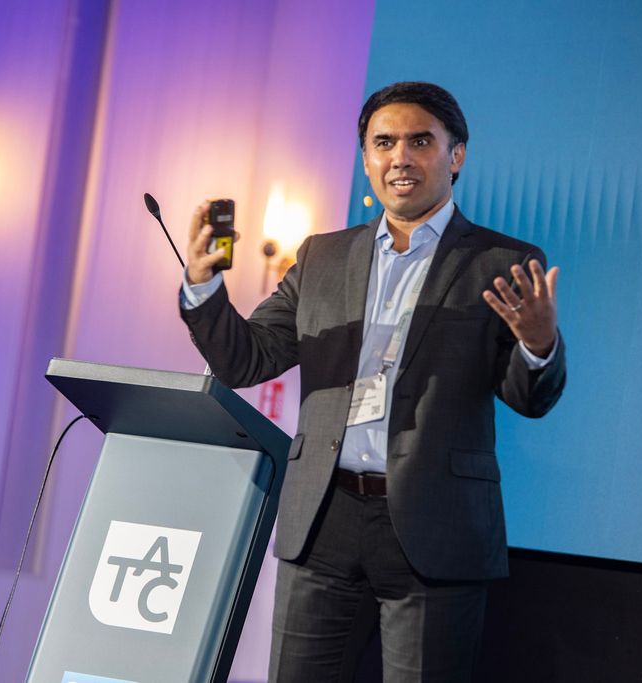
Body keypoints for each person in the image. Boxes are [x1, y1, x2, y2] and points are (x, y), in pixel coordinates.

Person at [179, 81, 566, 682]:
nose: (400, 158)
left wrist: (538, 345)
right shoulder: (322, 257)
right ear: (366, 159)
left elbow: (528, 397)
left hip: (436, 520)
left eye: (420, 142)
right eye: (383, 143)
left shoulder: (501, 262)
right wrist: (203, 286)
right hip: (324, 515)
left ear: (456, 155)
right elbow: (247, 361)